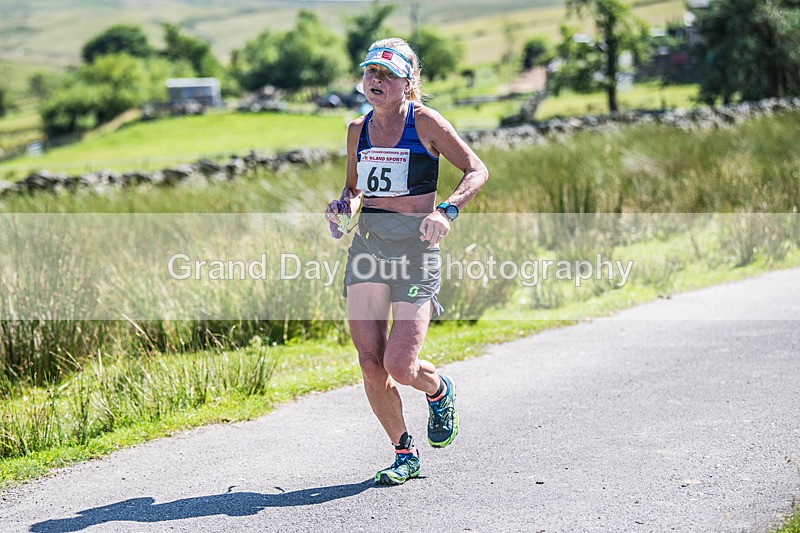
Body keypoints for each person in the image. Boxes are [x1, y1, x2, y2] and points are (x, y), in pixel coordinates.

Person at [325, 37, 489, 485]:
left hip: (416, 251)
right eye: (370, 72)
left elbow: (477, 170)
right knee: (369, 361)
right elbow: (354, 189)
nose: (376, 80)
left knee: (401, 366)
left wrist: (446, 210)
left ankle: (437, 389)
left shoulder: (427, 122)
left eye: (388, 74)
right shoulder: (357, 129)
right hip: (369, 248)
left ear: (408, 82)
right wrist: (342, 208)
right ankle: (404, 452)